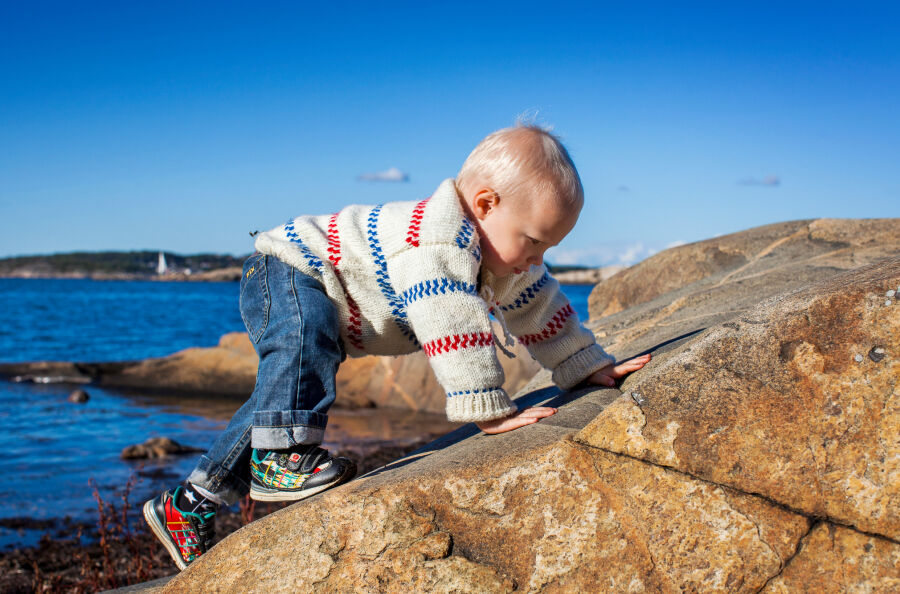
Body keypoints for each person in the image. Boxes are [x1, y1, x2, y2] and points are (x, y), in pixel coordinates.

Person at [142, 124, 651, 570]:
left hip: (335, 299)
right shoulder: (437, 243)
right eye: (533, 241)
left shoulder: (506, 263)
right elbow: (450, 320)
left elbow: (542, 310)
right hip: (292, 269)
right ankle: (281, 459)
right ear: (485, 204)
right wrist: (487, 408)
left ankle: (188, 504)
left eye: (548, 248)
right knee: (300, 349)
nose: (535, 258)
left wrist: (585, 367)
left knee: (279, 398)